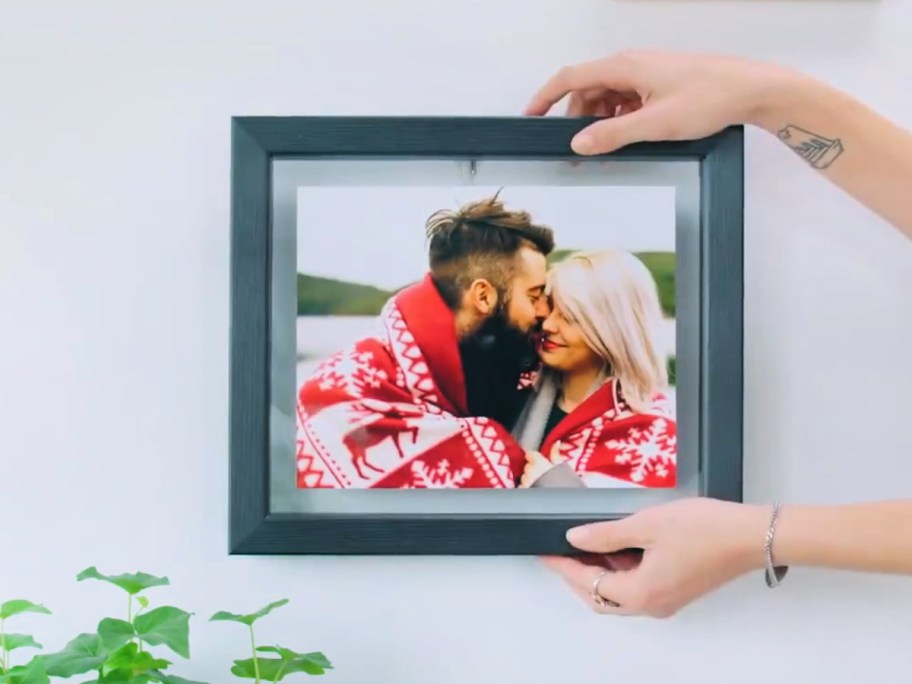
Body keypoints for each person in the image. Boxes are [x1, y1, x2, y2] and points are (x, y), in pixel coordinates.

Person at [522, 49, 912, 617]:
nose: (546, 324)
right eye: (546, 306)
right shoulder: (519, 395)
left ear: (613, 322)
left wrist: (756, 537)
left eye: (573, 311)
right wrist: (767, 96)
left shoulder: (652, 437)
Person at [295, 193, 554, 489]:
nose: (544, 310)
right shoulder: (342, 392)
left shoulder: (489, 365)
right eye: (533, 296)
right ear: (484, 296)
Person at [513, 249, 677, 489]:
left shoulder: (656, 434)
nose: (548, 325)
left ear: (612, 327)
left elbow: (638, 525)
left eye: (569, 316)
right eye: (550, 308)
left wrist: (556, 489)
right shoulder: (512, 393)